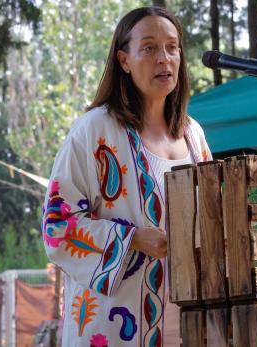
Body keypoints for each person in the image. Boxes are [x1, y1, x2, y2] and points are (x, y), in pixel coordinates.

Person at [41, 6, 211, 347]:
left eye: (172, 47)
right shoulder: (94, 130)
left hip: (189, 326)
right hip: (113, 328)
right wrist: (132, 239)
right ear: (124, 60)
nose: (164, 58)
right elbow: (57, 227)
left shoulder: (194, 136)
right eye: (148, 48)